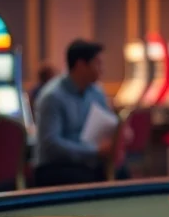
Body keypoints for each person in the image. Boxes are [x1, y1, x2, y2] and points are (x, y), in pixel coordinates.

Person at [33, 39, 125, 186]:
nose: (102, 69)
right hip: (56, 166)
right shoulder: (52, 96)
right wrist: (94, 151)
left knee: (123, 173)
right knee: (84, 177)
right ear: (81, 65)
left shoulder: (96, 92)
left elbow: (109, 124)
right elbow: (51, 145)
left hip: (89, 163)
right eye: (98, 63)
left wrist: (120, 134)